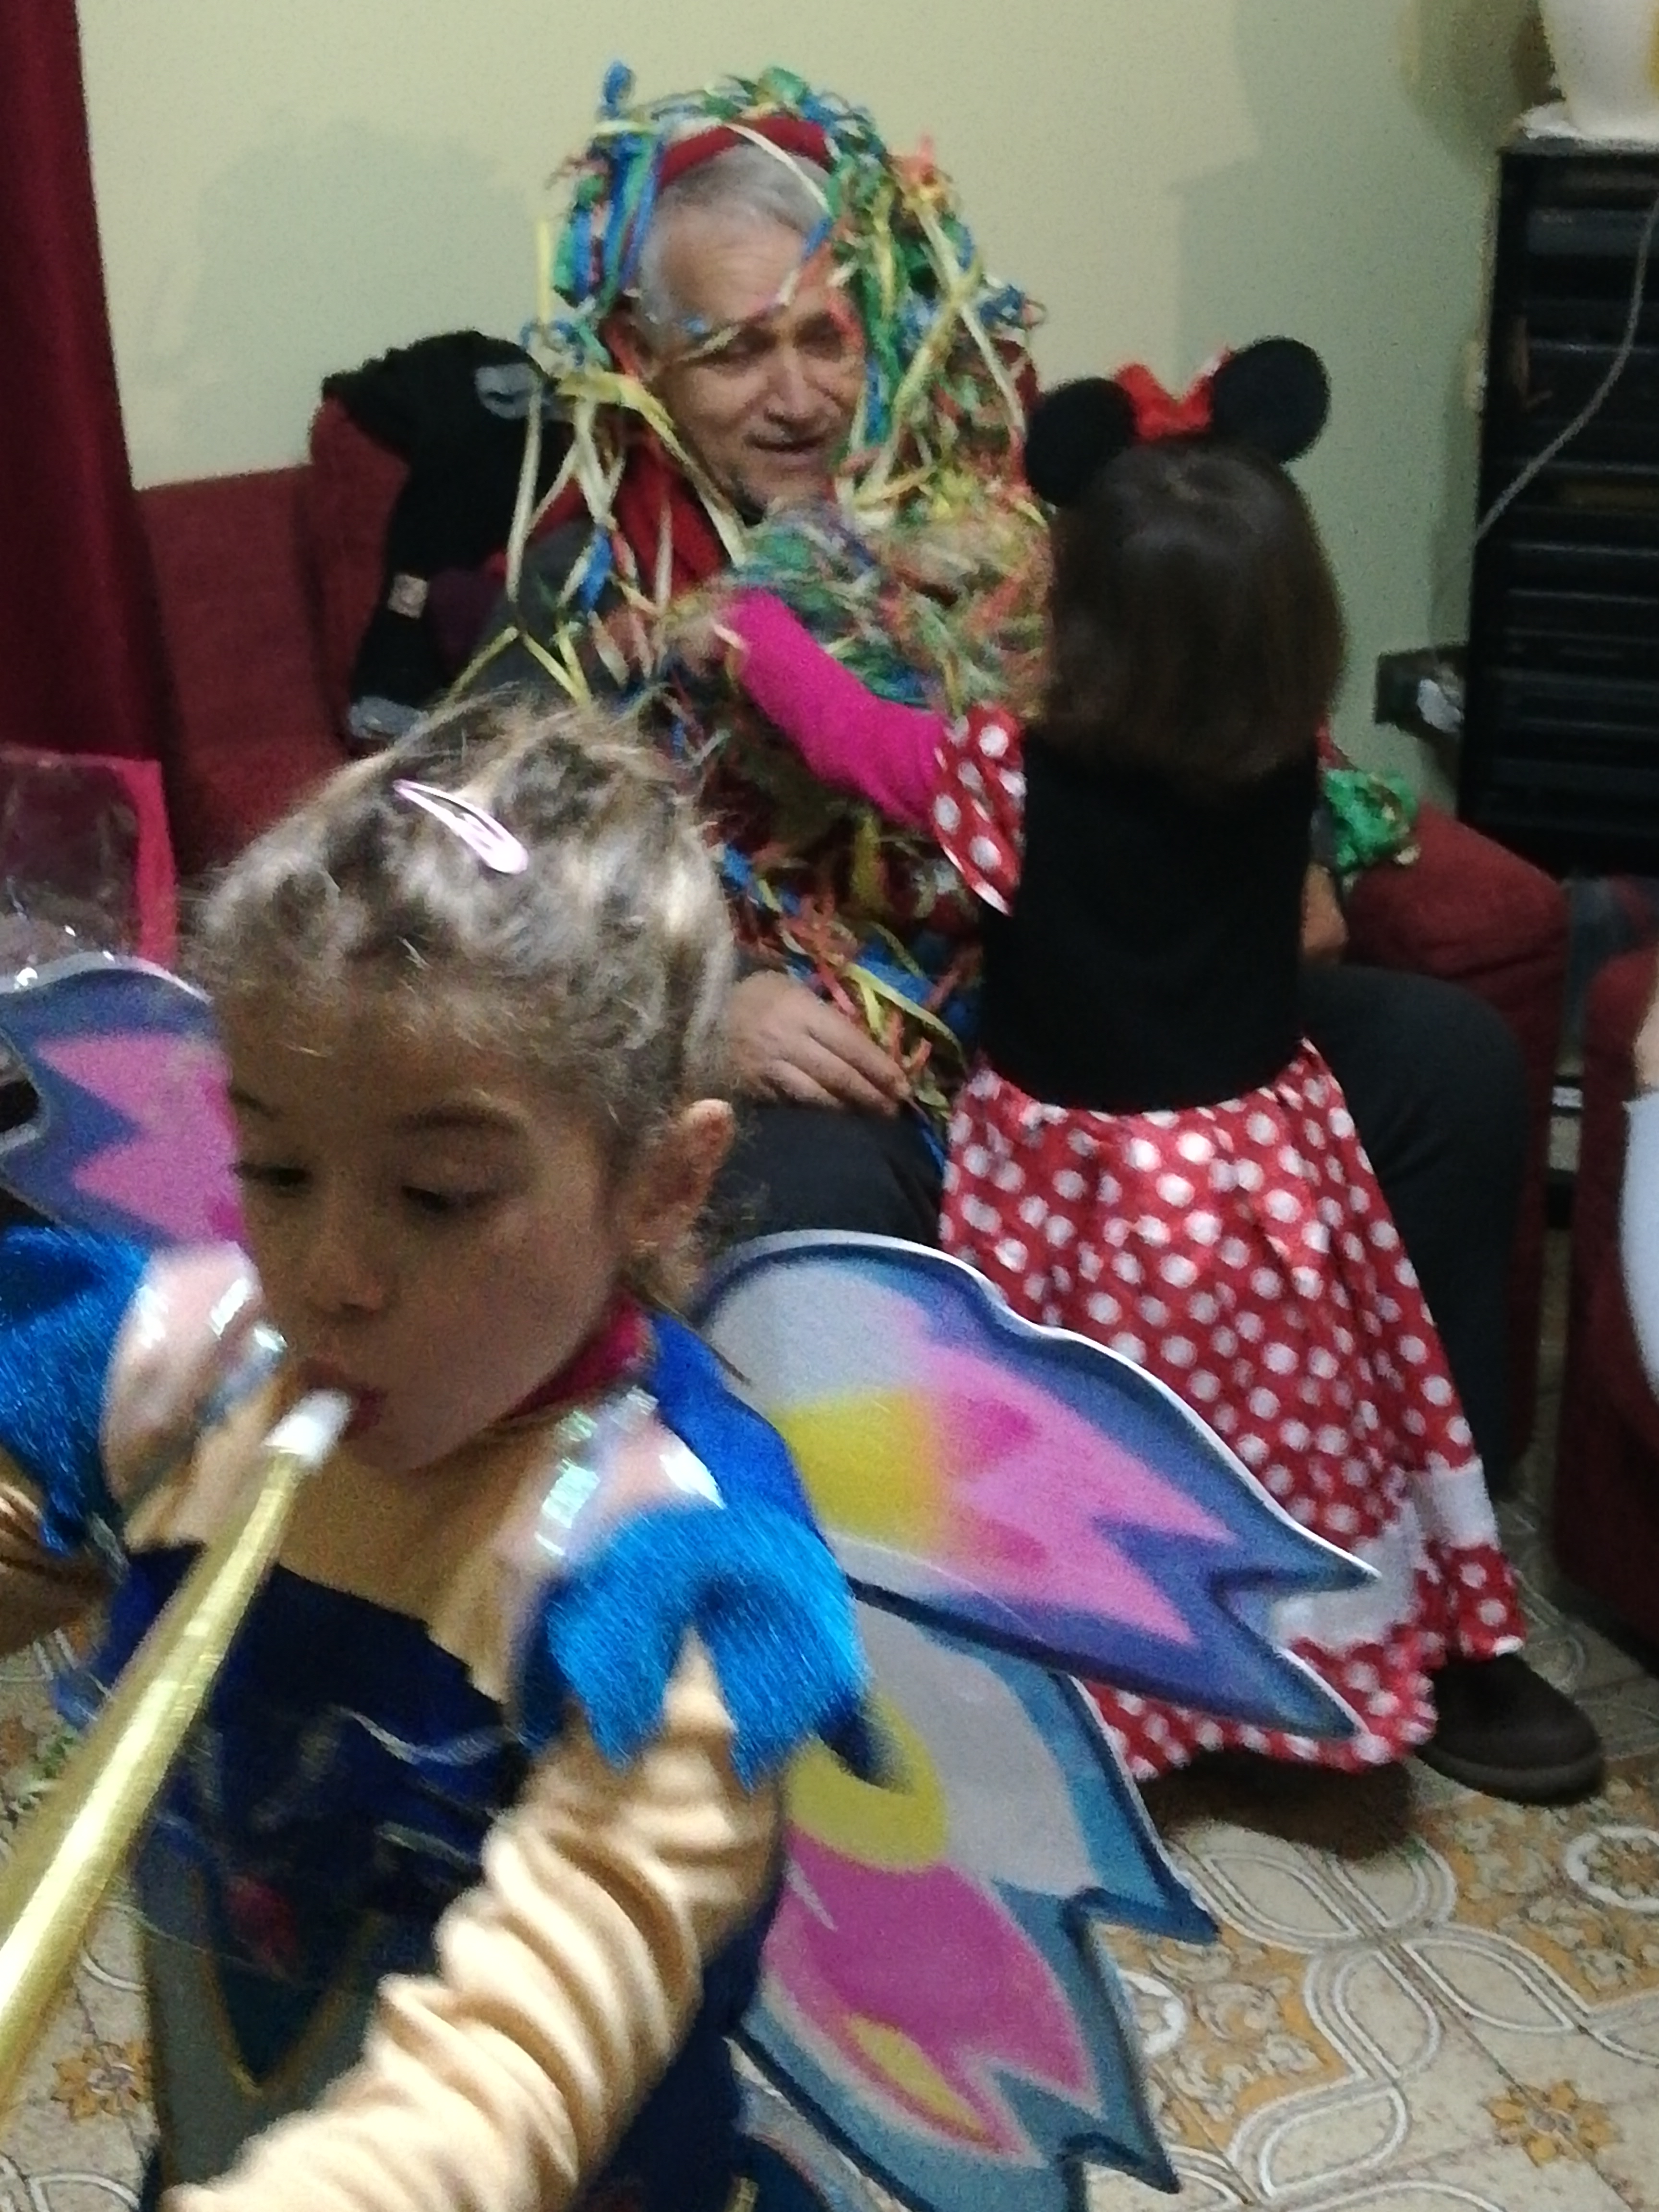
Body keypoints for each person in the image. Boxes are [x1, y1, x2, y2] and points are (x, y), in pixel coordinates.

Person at [471, 68, 1592, 1797]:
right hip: (875, 1081)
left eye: (827, 335)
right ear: (642, 358)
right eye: (737, 351)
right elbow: (493, 888)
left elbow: (1220, 696)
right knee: (806, 1199)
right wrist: (715, 1005)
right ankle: (962, 1672)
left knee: (1440, 1060)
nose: (799, 393)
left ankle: (1421, 1611)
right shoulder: (587, 584)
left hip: (1132, 1054)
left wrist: (1292, 849)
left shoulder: (1021, 533)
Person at [687, 340, 1604, 1804]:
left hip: (1091, 1189)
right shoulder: (1279, 763)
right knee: (1301, 1415)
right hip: (1265, 1163)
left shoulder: (1009, 776)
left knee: (1101, 1451)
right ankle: (1348, 1649)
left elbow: (857, 743)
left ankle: (1128, 1720)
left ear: (1076, 622)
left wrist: (752, 629)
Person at [0, 699, 866, 2212]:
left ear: (664, 1183)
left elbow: (525, 2054)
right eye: (276, 1167)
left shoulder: (663, 1567)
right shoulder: (192, 1365)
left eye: (440, 1194)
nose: (326, 1276)